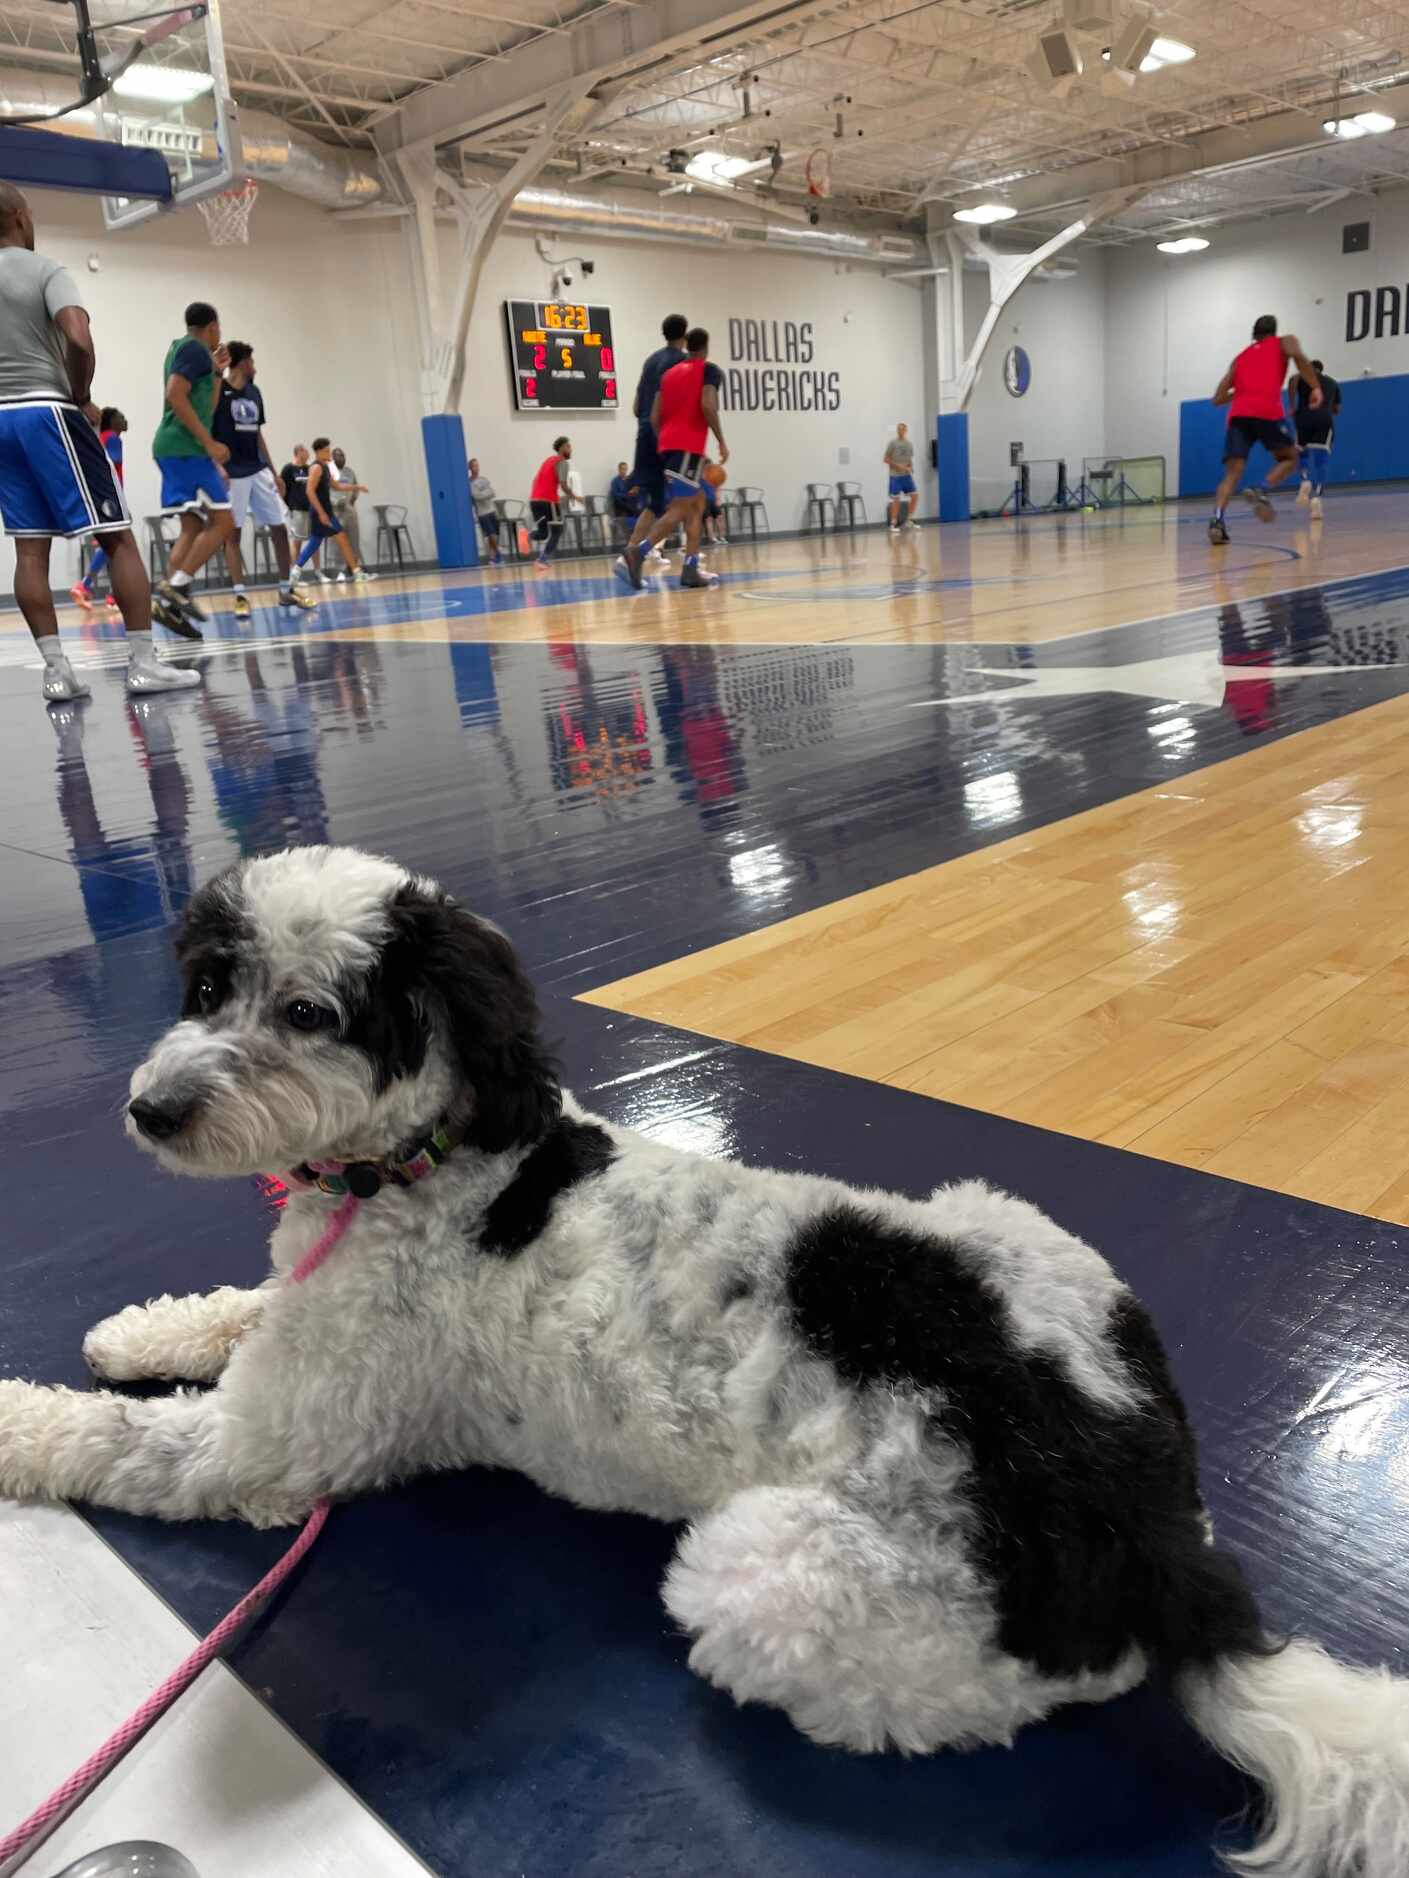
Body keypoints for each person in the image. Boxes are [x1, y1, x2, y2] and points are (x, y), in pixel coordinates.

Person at [0, 182, 199, 702]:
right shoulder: (45, 269)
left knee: (30, 552)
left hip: (1, 421)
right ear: (20, 216)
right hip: (49, 411)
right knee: (118, 536)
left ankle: (57, 672)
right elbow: (79, 337)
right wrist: (81, 395)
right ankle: (143, 664)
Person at [151, 299, 237, 636]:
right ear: (212, 326)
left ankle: (168, 603)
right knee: (224, 521)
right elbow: (175, 395)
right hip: (185, 449)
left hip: (175, 449)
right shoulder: (195, 349)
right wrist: (209, 444)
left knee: (192, 525)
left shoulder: (183, 350)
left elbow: (208, 406)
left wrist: (218, 373)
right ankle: (176, 586)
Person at [618, 326, 727, 592]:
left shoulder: (668, 374)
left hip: (667, 445)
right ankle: (638, 552)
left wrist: (666, 439)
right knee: (681, 507)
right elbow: (707, 405)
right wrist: (721, 439)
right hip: (687, 446)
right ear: (706, 347)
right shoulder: (709, 370)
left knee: (697, 505)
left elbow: (654, 415)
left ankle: (690, 567)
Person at [212, 342, 315, 619]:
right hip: (232, 471)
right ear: (241, 363)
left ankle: (285, 590)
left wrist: (273, 471)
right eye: (251, 361)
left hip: (257, 469)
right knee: (232, 536)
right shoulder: (218, 390)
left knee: (280, 528)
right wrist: (215, 465)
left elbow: (258, 435)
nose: (254, 367)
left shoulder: (255, 393)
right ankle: (240, 596)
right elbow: (207, 428)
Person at [1208, 315, 1321, 544]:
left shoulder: (1240, 358)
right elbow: (1300, 359)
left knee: (1231, 474)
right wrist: (1315, 387)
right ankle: (1261, 489)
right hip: (1267, 411)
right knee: (1290, 457)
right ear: (1274, 331)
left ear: (1254, 333)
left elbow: (1218, 398)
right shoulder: (1284, 342)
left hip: (1238, 416)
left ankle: (1217, 520)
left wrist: (1241, 393)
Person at [621, 313, 689, 565]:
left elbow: (637, 407)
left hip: (644, 437)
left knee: (656, 501)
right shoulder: (683, 363)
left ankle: (629, 553)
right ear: (684, 334)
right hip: (667, 438)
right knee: (689, 500)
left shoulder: (650, 361)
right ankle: (687, 559)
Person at [291, 437, 375, 585]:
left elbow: (337, 486)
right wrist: (322, 513)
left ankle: (295, 572)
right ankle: (358, 573)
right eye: (326, 451)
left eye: (329, 450)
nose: (329, 453)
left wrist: (357, 487)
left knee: (317, 542)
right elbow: (309, 491)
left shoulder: (325, 467)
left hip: (325, 512)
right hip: (321, 513)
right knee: (339, 539)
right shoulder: (316, 468)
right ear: (318, 452)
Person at [70, 406, 126, 612]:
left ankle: (112, 595)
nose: (124, 419)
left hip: (100, 497)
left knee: (113, 548)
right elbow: (112, 460)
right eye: (119, 416)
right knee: (118, 546)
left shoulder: (98, 437)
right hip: (110, 497)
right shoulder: (112, 437)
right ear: (111, 421)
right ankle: (85, 585)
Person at [1291, 357, 1341, 520]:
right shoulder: (1332, 383)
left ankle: (1305, 480)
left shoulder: (1301, 378)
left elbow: (1291, 380)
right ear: (1322, 369)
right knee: (1321, 461)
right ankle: (1317, 498)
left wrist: (1292, 405)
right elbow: (1337, 410)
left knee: (1301, 452)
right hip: (1323, 419)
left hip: (1303, 417)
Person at [529, 436, 572, 568]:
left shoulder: (547, 460)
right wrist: (575, 496)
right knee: (557, 531)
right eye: (568, 446)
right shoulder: (562, 462)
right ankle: (542, 560)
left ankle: (527, 536)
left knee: (543, 533)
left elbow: (535, 479)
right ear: (561, 448)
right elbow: (563, 485)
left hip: (534, 501)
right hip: (548, 502)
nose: (571, 449)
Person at [329, 446, 366, 569]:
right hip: (335, 511)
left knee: (354, 539)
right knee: (338, 542)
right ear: (332, 458)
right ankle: (341, 569)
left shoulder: (350, 472)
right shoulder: (327, 473)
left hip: (348, 509)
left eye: (343, 455)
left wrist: (351, 501)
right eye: (338, 455)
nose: (341, 458)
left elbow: (355, 488)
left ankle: (355, 567)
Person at [885, 422, 919, 531]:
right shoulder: (892, 443)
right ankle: (893, 523)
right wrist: (897, 466)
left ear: (905, 431)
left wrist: (910, 467)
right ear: (897, 430)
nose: (900, 431)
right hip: (895, 476)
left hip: (906, 475)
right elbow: (886, 459)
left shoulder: (909, 444)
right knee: (896, 499)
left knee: (915, 496)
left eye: (902, 429)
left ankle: (909, 520)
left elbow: (909, 459)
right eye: (899, 429)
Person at [468, 456, 502, 564]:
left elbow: (492, 492)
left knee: (495, 534)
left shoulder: (484, 479)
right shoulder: (469, 483)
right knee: (490, 534)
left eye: (477, 465)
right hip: (482, 512)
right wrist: (485, 494)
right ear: (470, 468)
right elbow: (476, 496)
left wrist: (484, 494)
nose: (476, 468)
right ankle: (498, 555)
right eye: (474, 466)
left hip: (491, 509)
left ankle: (493, 557)